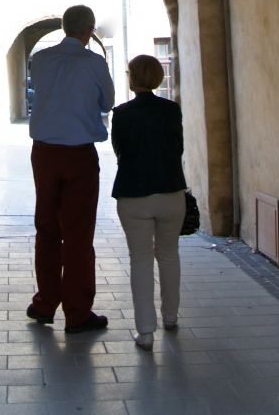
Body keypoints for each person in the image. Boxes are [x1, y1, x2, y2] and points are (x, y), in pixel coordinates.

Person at [27, 4, 115, 333]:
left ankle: (45, 303)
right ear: (89, 30)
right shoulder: (94, 62)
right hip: (79, 154)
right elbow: (107, 102)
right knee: (78, 235)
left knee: (47, 229)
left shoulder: (41, 59)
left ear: (64, 27)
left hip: (44, 152)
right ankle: (77, 313)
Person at [111, 54, 187, 351]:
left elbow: (120, 151)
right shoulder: (171, 110)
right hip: (171, 191)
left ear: (133, 78)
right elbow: (177, 147)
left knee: (140, 260)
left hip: (134, 193)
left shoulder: (122, 113)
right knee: (168, 255)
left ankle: (145, 332)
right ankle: (170, 317)